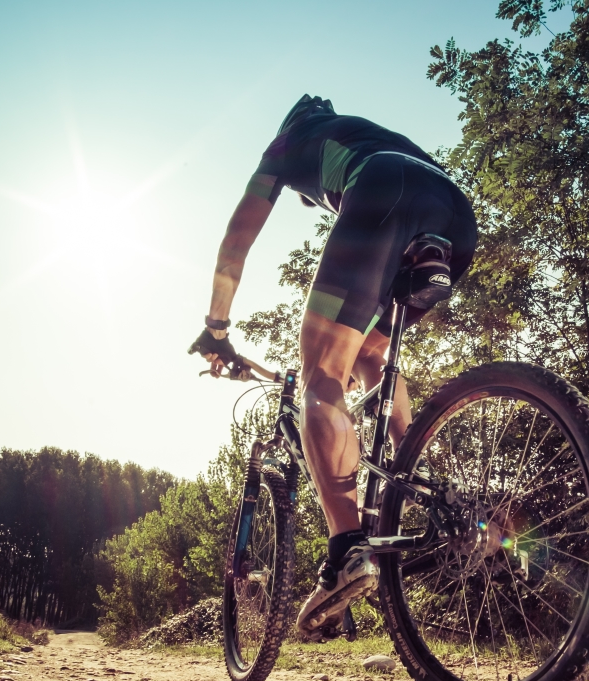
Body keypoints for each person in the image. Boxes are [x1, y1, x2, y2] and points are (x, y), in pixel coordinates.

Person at [191, 94, 477, 641]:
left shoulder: (286, 143)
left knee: (320, 377)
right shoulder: (357, 132)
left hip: (383, 189)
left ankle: (347, 549)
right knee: (367, 355)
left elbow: (235, 242)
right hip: (455, 217)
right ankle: (421, 483)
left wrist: (218, 330)